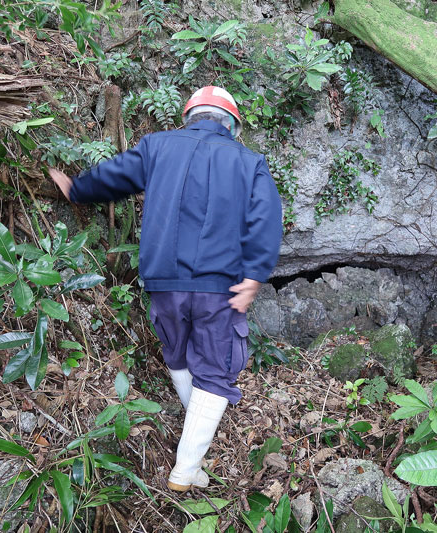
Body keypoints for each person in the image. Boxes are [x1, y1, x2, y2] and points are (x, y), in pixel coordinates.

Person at [48, 86, 283, 492]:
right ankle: (186, 468)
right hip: (218, 286)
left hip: (163, 283)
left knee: (177, 352)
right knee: (215, 366)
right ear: (232, 124)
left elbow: (116, 176)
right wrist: (254, 275)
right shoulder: (249, 162)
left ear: (190, 115)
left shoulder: (156, 146)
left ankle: (195, 439)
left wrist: (77, 188)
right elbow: (266, 220)